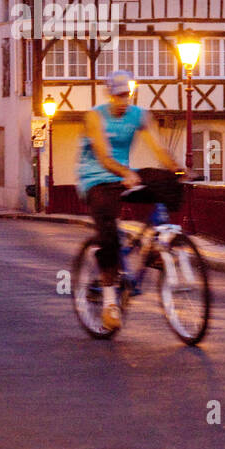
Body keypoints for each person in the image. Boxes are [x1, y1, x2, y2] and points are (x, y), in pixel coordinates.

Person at [77, 69, 184, 332]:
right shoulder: (95, 117)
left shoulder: (139, 115)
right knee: (109, 235)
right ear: (109, 95)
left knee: (167, 182)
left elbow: (158, 147)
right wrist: (125, 173)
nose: (122, 101)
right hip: (96, 179)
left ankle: (160, 245)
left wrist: (177, 169)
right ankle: (110, 303)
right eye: (117, 96)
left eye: (126, 95)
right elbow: (102, 156)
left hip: (125, 177)